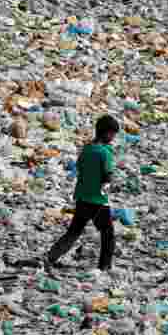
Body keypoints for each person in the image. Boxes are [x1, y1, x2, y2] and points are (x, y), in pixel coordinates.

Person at [44, 114, 120, 275]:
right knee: (108, 234)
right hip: (97, 200)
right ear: (106, 133)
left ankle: (51, 257)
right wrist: (106, 192)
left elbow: (80, 168)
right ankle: (104, 267)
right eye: (113, 134)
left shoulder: (87, 149)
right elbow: (107, 176)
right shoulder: (105, 152)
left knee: (74, 231)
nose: (113, 137)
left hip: (82, 197)